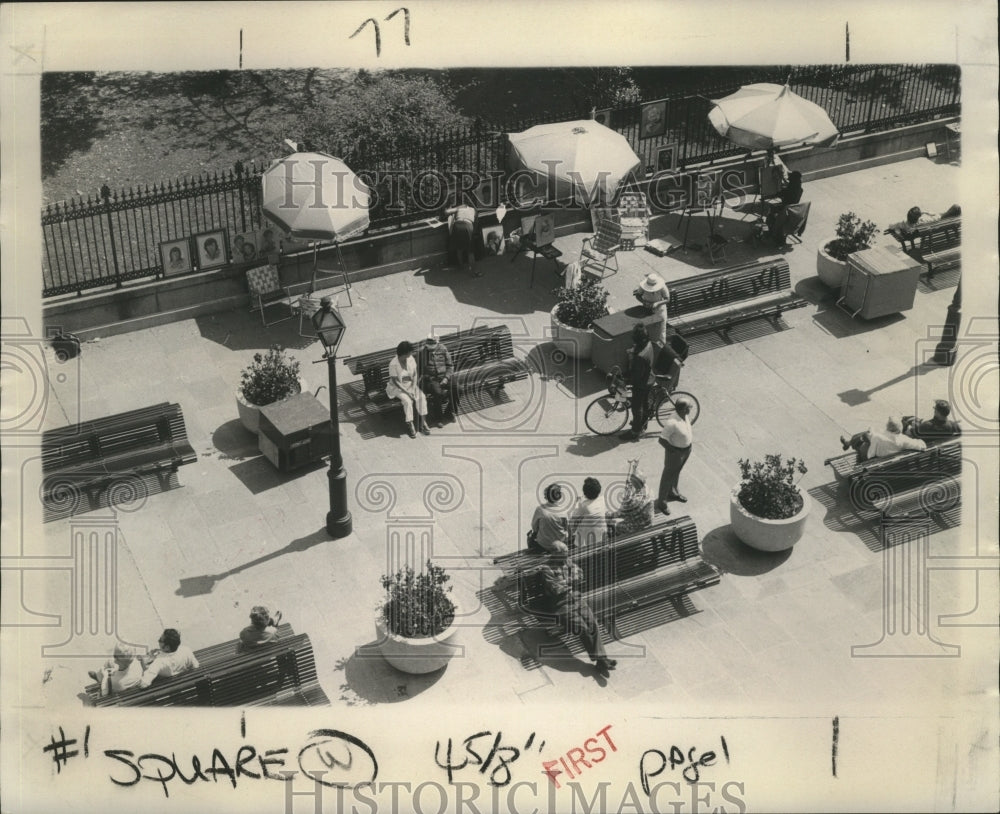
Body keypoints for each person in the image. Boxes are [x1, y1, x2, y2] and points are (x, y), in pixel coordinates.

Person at [536, 542, 617, 677]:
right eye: (563, 554)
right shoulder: (547, 568)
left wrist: (566, 581)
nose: (567, 557)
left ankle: (601, 660)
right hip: (561, 605)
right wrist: (570, 581)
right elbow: (556, 590)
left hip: (577, 599)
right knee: (583, 628)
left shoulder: (567, 561)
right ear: (555, 554)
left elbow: (580, 574)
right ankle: (602, 659)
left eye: (567, 554)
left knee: (593, 624)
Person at [619, 324, 657, 442]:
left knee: (636, 407)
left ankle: (635, 432)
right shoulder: (648, 343)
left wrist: (626, 381)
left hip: (642, 384)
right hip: (649, 377)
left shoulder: (640, 357)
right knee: (644, 403)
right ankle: (642, 424)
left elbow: (636, 376)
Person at [657, 397, 694, 513]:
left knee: (676, 472)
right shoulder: (672, 423)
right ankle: (662, 503)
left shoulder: (684, 416)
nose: (691, 409)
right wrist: (674, 452)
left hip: (686, 450)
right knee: (668, 476)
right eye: (689, 407)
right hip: (676, 452)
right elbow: (662, 440)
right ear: (683, 409)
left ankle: (673, 493)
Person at [386, 340, 430, 438]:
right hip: (397, 387)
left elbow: (414, 374)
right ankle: (410, 424)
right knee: (407, 401)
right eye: (409, 353)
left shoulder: (410, 359)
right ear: (403, 354)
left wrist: (413, 387)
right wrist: (408, 393)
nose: (411, 354)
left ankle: (423, 422)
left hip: (410, 384)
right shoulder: (393, 364)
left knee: (421, 397)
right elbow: (396, 382)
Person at [840, 416, 926, 463]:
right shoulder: (903, 439)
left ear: (888, 427)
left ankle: (849, 443)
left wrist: (870, 433)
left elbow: (870, 449)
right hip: (887, 460)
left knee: (864, 437)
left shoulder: (878, 436)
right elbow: (922, 446)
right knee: (866, 437)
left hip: (873, 460)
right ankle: (849, 443)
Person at [418, 333, 455, 426]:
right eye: (428, 344)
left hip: (444, 376)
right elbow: (419, 370)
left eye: (432, 344)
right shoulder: (422, 353)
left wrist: (446, 378)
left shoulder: (443, 348)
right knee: (437, 392)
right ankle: (439, 418)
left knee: (458, 389)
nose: (430, 346)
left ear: (437, 343)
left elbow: (450, 366)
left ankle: (449, 412)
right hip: (431, 379)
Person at [765, 171, 804, 246]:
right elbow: (786, 190)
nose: (788, 178)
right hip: (793, 209)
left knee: (771, 211)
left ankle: (770, 231)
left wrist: (766, 197)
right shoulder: (799, 188)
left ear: (792, 179)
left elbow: (780, 193)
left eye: (790, 177)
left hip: (785, 209)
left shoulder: (789, 189)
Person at [529, 483, 570, 553]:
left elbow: (534, 527)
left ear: (546, 496)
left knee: (530, 536)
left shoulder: (540, 509)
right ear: (559, 496)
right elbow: (566, 528)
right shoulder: (564, 511)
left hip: (544, 544)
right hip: (560, 544)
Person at [568, 477, 608, 549]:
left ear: (585, 493)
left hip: (586, 543)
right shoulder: (602, 500)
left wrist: (577, 503)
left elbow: (573, 518)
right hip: (601, 537)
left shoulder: (583, 506)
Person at [610, 469, 654, 533]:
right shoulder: (648, 489)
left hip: (641, 525)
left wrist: (626, 497)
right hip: (649, 520)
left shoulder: (635, 500)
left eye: (631, 479)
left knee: (615, 525)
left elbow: (621, 514)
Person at [633, 273, 670, 349]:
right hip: (647, 309)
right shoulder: (643, 286)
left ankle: (661, 348)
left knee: (662, 329)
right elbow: (638, 295)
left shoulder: (662, 287)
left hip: (660, 309)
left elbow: (667, 299)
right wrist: (644, 302)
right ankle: (648, 347)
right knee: (648, 328)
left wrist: (657, 303)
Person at [445, 199, 480, 277]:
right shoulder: (474, 210)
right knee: (470, 251)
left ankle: (461, 266)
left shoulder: (459, 208)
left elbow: (446, 212)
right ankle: (475, 272)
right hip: (467, 225)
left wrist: (449, 206)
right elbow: (476, 224)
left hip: (457, 225)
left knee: (459, 248)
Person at [887, 204, 961, 236]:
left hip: (934, 221)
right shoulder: (923, 222)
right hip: (938, 220)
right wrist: (925, 212)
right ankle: (957, 213)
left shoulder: (905, 225)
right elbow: (935, 216)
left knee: (953, 210)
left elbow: (890, 225)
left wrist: (898, 230)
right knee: (955, 207)